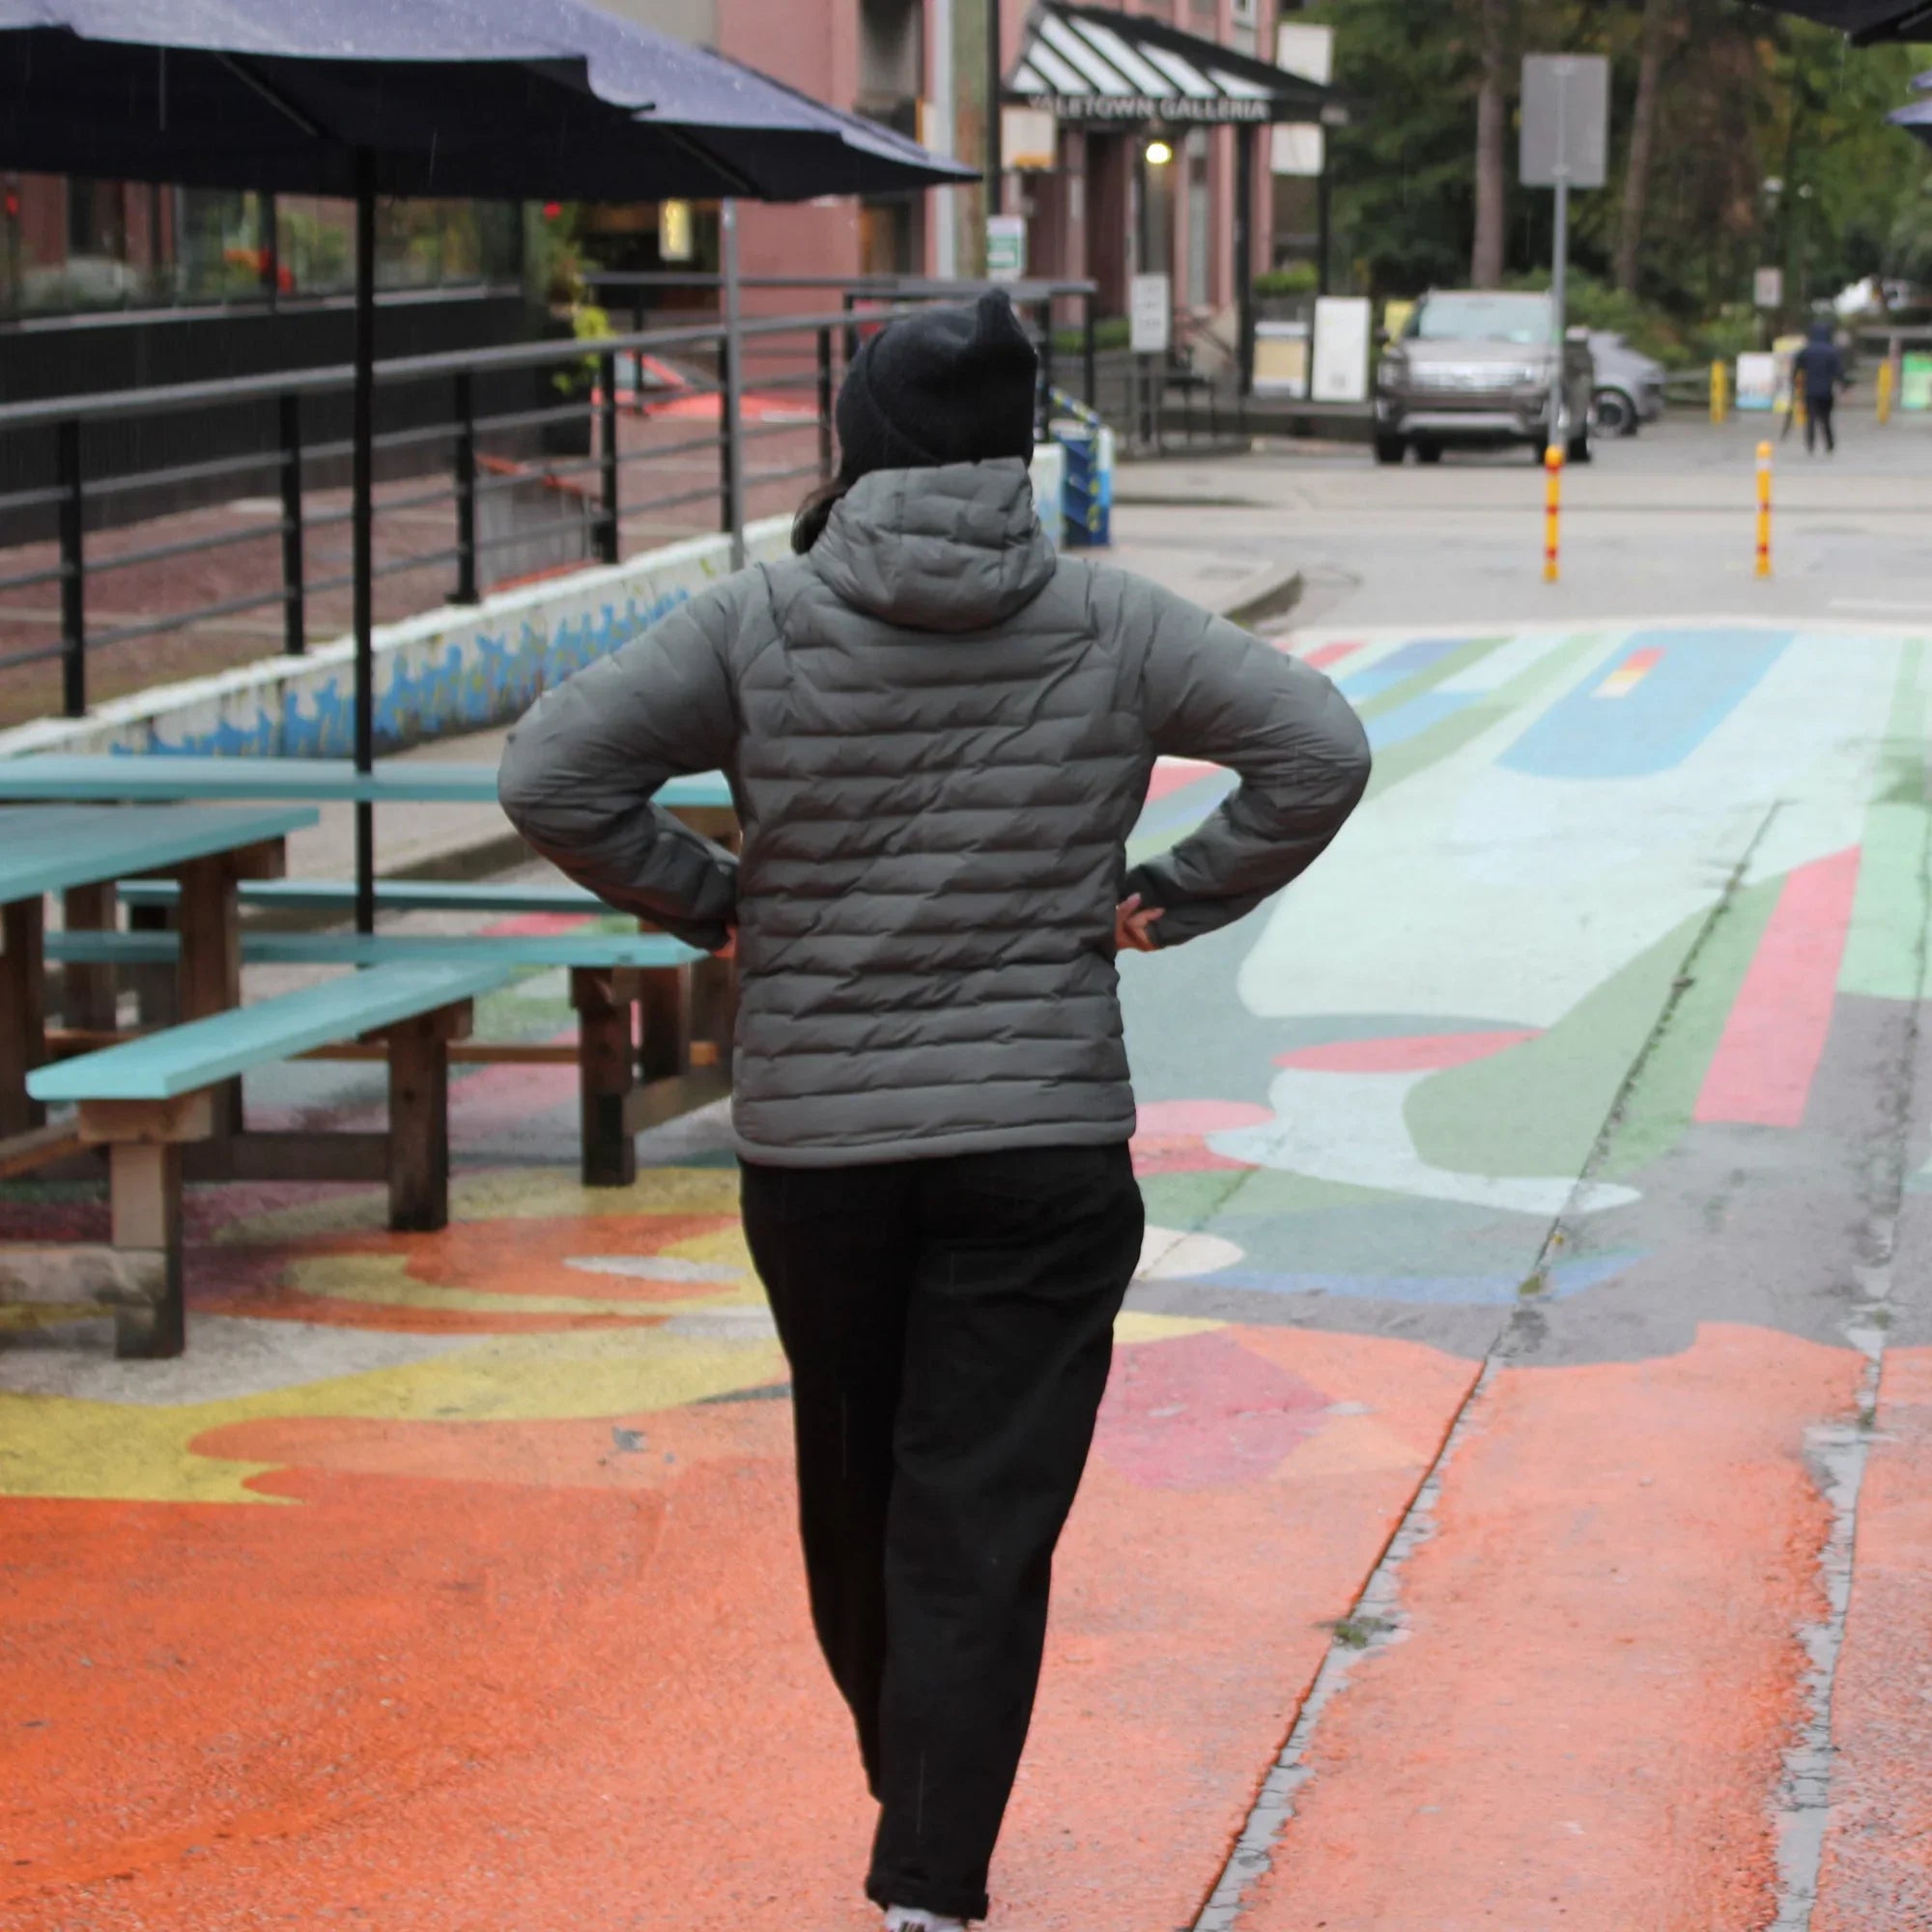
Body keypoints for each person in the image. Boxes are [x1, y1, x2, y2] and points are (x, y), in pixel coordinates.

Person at [497, 291, 1371, 1930]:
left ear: (862, 448)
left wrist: (712, 900)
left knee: (857, 1485)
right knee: (980, 1509)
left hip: (821, 1152)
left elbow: (552, 773)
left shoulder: (758, 621)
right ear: (1014, 457)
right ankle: (931, 1858)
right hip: (1042, 1148)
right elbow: (1315, 750)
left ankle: (921, 1821)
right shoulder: (1115, 625)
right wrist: (1172, 896)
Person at [1793, 320, 1847, 455]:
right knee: (1826, 418)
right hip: (1826, 391)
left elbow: (1796, 369)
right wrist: (1843, 386)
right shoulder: (1832, 352)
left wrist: (1794, 384)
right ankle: (1829, 444)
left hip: (1810, 391)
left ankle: (1810, 443)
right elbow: (1839, 372)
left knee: (1810, 418)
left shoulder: (1806, 351)